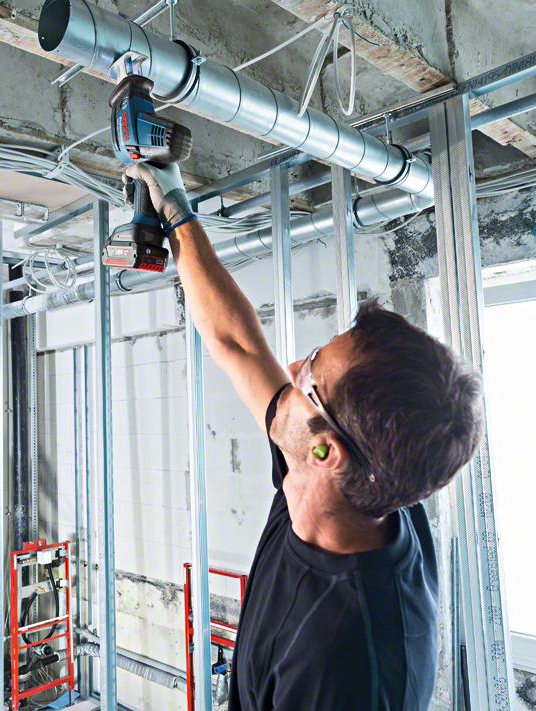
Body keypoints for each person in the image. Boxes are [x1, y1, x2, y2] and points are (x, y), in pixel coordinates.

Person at [123, 162, 486, 711]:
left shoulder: (347, 671)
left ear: (325, 452)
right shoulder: (361, 484)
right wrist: (175, 206)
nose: (291, 367)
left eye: (310, 375)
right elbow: (237, 342)